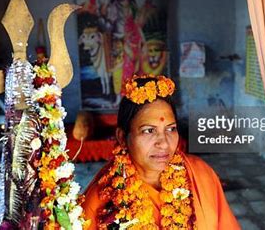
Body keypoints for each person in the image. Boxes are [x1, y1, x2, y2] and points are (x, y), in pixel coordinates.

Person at [82, 75, 240, 229]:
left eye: (171, 129)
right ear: (122, 137)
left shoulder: (201, 175)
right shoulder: (101, 198)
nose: (164, 143)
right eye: (149, 131)